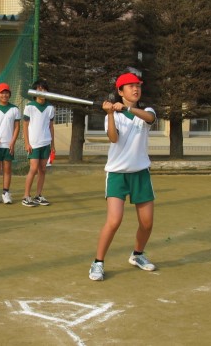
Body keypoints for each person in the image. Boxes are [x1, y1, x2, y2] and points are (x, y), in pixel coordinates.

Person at [89, 72, 157, 281]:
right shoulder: (115, 115)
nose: (135, 89)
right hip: (117, 174)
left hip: (140, 173)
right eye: (130, 86)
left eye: (137, 85)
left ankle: (137, 255)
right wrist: (110, 114)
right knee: (114, 220)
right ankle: (98, 263)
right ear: (120, 91)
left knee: (147, 223)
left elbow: (150, 119)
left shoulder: (145, 111)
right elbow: (113, 138)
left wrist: (127, 108)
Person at [21, 79, 55, 207]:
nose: (42, 92)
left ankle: (38, 195)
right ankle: (26, 196)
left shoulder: (50, 108)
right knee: (33, 168)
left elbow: (51, 127)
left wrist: (53, 145)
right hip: (33, 144)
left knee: (43, 169)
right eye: (39, 90)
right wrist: (27, 143)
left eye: (44, 89)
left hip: (46, 142)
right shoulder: (29, 106)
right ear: (35, 92)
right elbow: (25, 126)